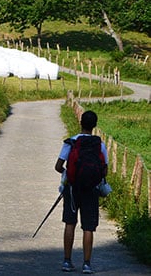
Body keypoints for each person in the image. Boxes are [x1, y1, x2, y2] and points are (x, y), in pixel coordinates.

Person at [54, 110, 108, 274]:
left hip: (72, 188)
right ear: (95, 125)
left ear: (80, 122)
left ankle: (67, 261)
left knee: (70, 223)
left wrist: (69, 173)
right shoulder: (100, 145)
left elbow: (57, 166)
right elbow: (104, 170)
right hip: (91, 190)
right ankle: (86, 264)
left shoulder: (71, 142)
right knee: (88, 227)